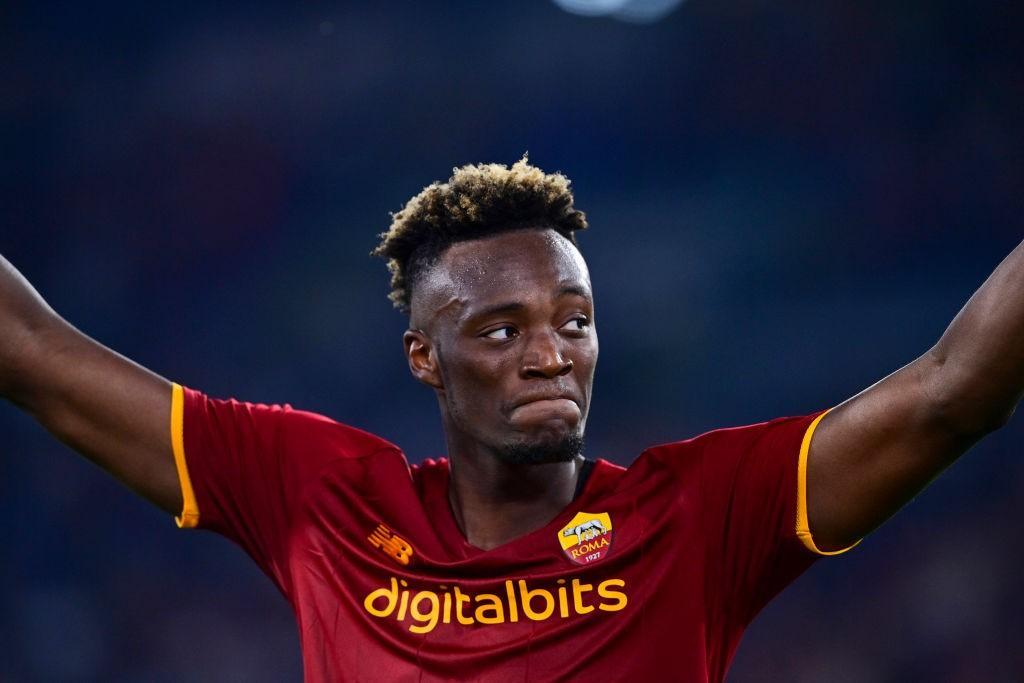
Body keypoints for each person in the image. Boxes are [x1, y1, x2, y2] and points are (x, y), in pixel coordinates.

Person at [1, 157, 1020, 682]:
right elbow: (39, 357)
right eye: (498, 328)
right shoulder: (321, 493)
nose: (549, 352)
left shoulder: (700, 514)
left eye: (572, 319)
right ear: (423, 357)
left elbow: (951, 389)